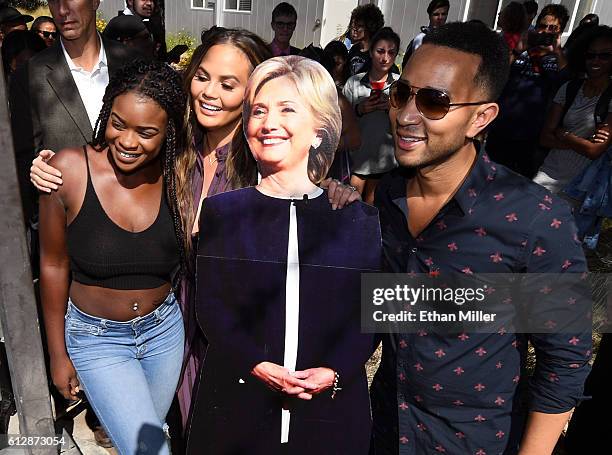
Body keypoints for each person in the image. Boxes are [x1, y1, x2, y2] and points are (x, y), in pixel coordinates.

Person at [370, 21, 591, 454]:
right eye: (401, 94)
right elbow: (382, 307)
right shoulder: (387, 197)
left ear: (481, 117)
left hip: (473, 443)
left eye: (434, 102)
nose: (407, 115)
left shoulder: (534, 219)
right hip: (382, 431)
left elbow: (565, 359)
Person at [186, 55, 381, 454]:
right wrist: (253, 362)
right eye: (258, 111)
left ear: (319, 129)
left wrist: (335, 369)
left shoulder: (358, 219)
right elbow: (211, 307)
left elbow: (371, 312)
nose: (268, 122)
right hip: (237, 409)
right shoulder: (223, 212)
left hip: (328, 413)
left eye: (287, 109)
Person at [9, 0, 141, 446]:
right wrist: (32, 167)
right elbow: (19, 148)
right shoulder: (29, 74)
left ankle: (112, 408)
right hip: (64, 224)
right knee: (68, 314)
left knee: (120, 313)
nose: (63, 9)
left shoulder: (130, 61)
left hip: (127, 219)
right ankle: (69, 386)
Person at [39, 60, 187, 455]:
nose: (127, 140)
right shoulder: (67, 171)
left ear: (168, 133)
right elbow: (53, 266)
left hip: (164, 333)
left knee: (139, 444)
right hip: (96, 338)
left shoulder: (180, 175)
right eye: (118, 123)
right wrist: (58, 354)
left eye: (147, 132)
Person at [485, 3, 570, 179]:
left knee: (516, 184)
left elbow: (565, 84)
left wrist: (557, 51)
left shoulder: (561, 58)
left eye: (552, 28)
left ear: (560, 31)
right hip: (501, 126)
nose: (545, 31)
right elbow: (497, 75)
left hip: (531, 135)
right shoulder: (520, 46)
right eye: (542, 26)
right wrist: (518, 51)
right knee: (488, 175)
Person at [534, 25, 612, 197]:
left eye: (605, 56)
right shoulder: (569, 88)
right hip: (548, 175)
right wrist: (582, 143)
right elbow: (545, 138)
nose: (596, 61)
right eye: (590, 55)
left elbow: (594, 151)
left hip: (583, 186)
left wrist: (564, 134)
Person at [343, 27, 400, 203]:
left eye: (391, 52)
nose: (385, 58)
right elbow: (340, 120)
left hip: (386, 162)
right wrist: (359, 110)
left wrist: (390, 108)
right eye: (380, 51)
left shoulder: (400, 84)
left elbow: (408, 123)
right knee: (351, 209)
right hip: (356, 161)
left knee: (373, 213)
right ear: (371, 52)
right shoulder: (354, 82)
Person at [401, 0, 449, 70]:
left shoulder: (448, 38)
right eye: (436, 14)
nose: (440, 18)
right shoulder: (421, 38)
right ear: (429, 16)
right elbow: (418, 66)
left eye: (443, 14)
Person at [347, 3, 384, 76]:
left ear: (370, 27)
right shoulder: (354, 49)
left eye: (360, 26)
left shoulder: (376, 53)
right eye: (354, 25)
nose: (354, 29)